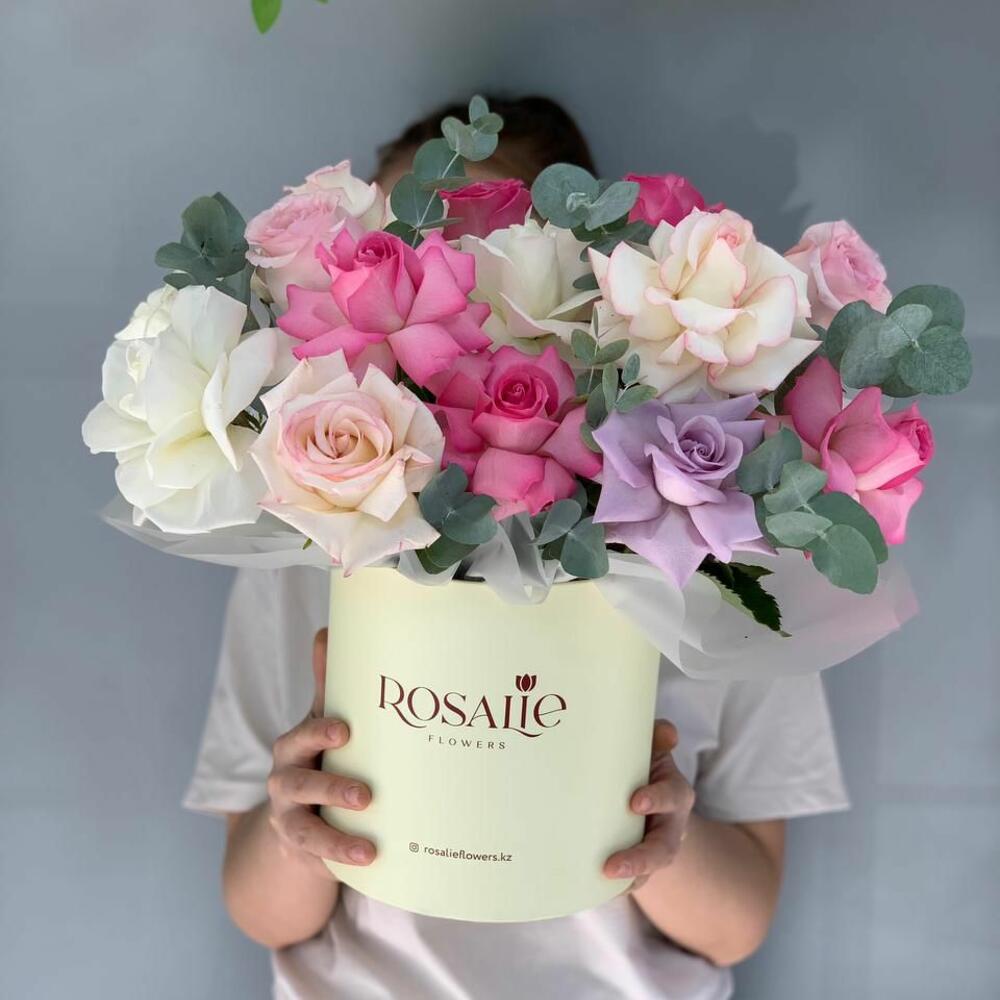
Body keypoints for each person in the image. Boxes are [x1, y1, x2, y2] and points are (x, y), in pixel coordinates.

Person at [184, 96, 849, 1000]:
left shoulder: (720, 550)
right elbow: (265, 915)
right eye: (390, 261)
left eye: (466, 267)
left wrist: (654, 833)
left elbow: (737, 926)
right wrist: (296, 829)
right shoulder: (304, 558)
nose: (424, 306)